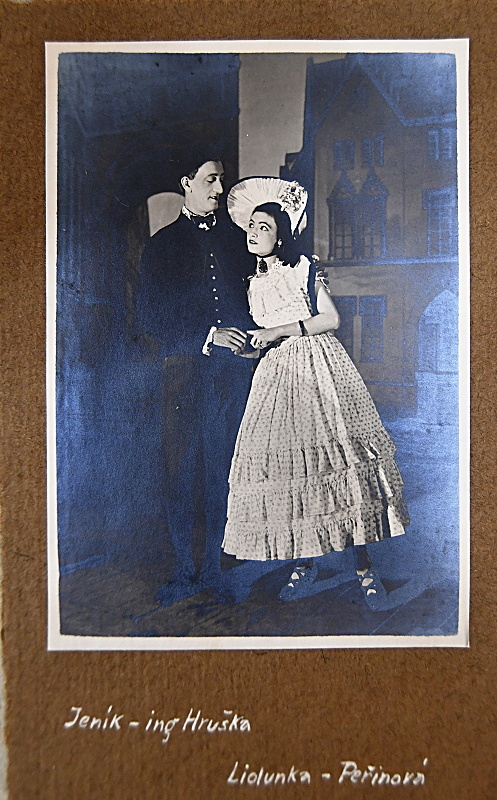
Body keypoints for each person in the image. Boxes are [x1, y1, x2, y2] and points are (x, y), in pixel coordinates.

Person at [222, 177, 409, 609]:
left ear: (281, 235)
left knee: (337, 466)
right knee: (292, 472)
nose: (254, 233)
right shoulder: (252, 282)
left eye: (264, 227)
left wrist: (278, 331)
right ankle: (304, 564)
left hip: (316, 368)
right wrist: (254, 347)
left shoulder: (303, 269)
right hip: (275, 378)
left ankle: (363, 569)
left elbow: (330, 319)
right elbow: (265, 335)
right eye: (251, 226)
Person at [137, 146, 255, 604]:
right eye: (210, 180)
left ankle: (215, 570)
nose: (220, 189)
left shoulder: (237, 240)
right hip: (184, 374)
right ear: (186, 183)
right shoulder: (161, 245)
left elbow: (255, 298)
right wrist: (208, 335)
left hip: (231, 376)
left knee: (223, 469)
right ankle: (184, 569)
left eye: (221, 179)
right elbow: (149, 317)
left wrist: (251, 337)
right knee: (180, 469)